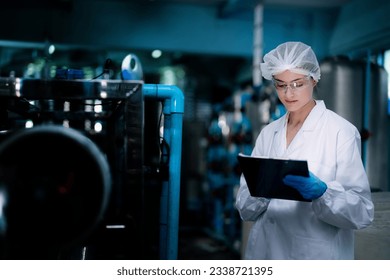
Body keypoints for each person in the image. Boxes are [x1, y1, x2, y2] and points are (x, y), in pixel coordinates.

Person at [235, 41, 374, 260]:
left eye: (297, 84)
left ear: (314, 78)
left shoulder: (340, 132)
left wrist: (324, 194)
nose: (288, 94)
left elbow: (363, 213)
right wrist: (261, 192)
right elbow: (244, 209)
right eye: (281, 85)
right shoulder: (268, 133)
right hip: (265, 253)